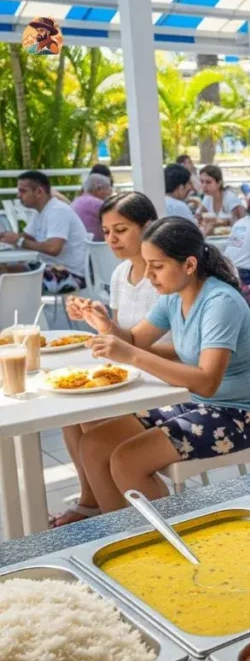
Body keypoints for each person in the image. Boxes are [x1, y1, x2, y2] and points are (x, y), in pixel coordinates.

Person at [75, 217, 250, 512]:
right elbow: (135, 339)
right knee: (93, 445)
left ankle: (170, 538)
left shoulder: (220, 302)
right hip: (195, 403)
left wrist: (131, 355)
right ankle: (120, 536)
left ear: (189, 265)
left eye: (157, 266)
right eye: (147, 265)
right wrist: (104, 324)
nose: (150, 275)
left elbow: (206, 381)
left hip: (239, 414)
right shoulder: (174, 296)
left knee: (127, 460)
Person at [54, 192, 165, 527]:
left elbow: (158, 344)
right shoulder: (120, 275)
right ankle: (92, 502)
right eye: (106, 232)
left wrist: (113, 337)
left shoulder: (165, 275)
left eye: (121, 229)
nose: (112, 239)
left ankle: (115, 519)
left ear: (147, 227)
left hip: (157, 378)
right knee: (70, 415)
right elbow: (123, 335)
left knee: (90, 423)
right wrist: (98, 319)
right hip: (131, 371)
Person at [1, 171, 90, 293]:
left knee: (6, 282)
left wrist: (19, 241)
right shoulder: (40, 211)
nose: (18, 195)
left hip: (69, 274)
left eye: (23, 191)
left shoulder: (57, 211)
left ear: (39, 192)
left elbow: (53, 248)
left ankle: (22, 311)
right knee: (3, 271)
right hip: (48, 267)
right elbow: (28, 237)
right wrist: (5, 237)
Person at [71, 173, 113, 241]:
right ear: (99, 189)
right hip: (96, 246)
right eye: (108, 188)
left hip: (80, 244)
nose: (109, 192)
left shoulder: (76, 201)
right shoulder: (98, 204)